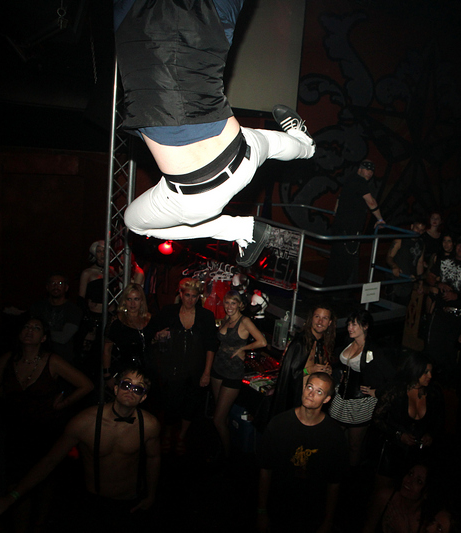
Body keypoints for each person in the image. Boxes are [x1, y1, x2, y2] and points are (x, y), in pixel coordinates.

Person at [114, 0, 315, 267]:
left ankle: (304, 147)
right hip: (213, 177)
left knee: (270, 144)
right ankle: (303, 147)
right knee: (134, 223)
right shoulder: (128, 18)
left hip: (239, 156)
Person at [0, 367, 161, 532]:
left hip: (130, 502)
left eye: (137, 389)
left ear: (143, 397)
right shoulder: (84, 422)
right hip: (93, 502)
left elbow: (153, 458)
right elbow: (50, 461)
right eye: (126, 385)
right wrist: (11, 497)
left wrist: (151, 495)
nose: (130, 391)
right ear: (115, 388)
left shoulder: (150, 425)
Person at [0, 317, 93, 532]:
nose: (30, 330)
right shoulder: (7, 360)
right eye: (26, 327)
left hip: (46, 432)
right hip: (16, 433)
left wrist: (64, 403)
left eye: (36, 328)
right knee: (17, 483)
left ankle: (40, 522)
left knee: (44, 480)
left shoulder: (52, 361)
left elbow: (86, 385)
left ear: (44, 337)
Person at [257, 372, 348, 533]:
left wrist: (327, 521)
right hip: (279, 506)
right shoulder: (279, 424)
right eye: (309, 387)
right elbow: (265, 469)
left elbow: (334, 482)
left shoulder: (334, 435)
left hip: (312, 511)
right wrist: (262, 511)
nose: (311, 394)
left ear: (326, 399)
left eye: (319, 391)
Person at [146, 277, 218, 454]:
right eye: (187, 295)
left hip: (196, 370)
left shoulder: (206, 316)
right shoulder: (169, 312)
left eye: (194, 296)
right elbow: (149, 331)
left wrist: (206, 372)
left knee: (191, 406)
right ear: (180, 293)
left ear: (198, 297)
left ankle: (182, 436)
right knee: (171, 404)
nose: (190, 299)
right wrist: (157, 335)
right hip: (172, 368)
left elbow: (211, 346)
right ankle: (167, 434)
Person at [328, 309, 394, 467]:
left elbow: (392, 376)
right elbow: (342, 363)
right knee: (333, 438)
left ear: (365, 326)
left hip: (360, 402)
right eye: (349, 324)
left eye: (354, 324)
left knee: (354, 445)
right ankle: (333, 470)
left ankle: (351, 475)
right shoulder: (348, 341)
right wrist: (339, 372)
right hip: (340, 397)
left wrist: (377, 391)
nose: (350, 328)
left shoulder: (374, 350)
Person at [210, 290, 267, 460]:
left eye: (233, 303)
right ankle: (221, 448)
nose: (229, 306)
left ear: (240, 305)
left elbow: (262, 342)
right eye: (227, 303)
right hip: (217, 369)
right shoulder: (227, 318)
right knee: (221, 415)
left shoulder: (245, 321)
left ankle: (227, 457)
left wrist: (243, 348)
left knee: (217, 419)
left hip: (233, 373)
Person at [372, 354, 444, 482]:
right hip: (392, 453)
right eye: (425, 372)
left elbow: (438, 420)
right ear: (415, 371)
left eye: (431, 372)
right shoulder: (395, 391)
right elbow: (377, 418)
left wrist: (430, 435)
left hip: (417, 457)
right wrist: (398, 434)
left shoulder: (433, 394)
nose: (430, 376)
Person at [425, 235, 461, 382]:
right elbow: (430, 276)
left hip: (457, 316)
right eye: (459, 245)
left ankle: (446, 382)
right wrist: (438, 284)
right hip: (440, 312)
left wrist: (458, 296)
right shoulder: (444, 261)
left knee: (450, 351)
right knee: (433, 347)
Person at [323, 160, 386, 288]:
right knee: (345, 262)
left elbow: (340, 197)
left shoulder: (350, 179)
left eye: (371, 170)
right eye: (367, 169)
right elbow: (371, 201)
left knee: (337, 260)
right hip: (349, 228)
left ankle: (330, 289)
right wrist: (380, 219)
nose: (370, 173)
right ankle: (340, 291)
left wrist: (336, 211)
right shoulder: (359, 181)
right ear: (360, 169)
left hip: (341, 226)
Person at [270, 303, 335, 417]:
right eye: (317, 317)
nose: (320, 321)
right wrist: (309, 370)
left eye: (324, 318)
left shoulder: (325, 343)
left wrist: (327, 371)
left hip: (314, 403)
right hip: (295, 400)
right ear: (311, 319)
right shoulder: (300, 343)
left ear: (329, 322)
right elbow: (290, 374)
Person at [103, 283, 152, 389]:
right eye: (129, 299)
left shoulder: (149, 319)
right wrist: (107, 375)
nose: (132, 303)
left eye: (136, 299)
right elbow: (107, 349)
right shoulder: (116, 322)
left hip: (147, 371)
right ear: (124, 301)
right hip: (124, 371)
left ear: (141, 301)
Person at [363, 462, 433, 533]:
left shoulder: (424, 524)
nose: (409, 481)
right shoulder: (385, 498)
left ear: (426, 492)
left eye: (419, 481)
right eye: (410, 474)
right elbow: (368, 528)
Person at [30, 274, 83, 363]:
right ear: (47, 287)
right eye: (53, 283)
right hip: (37, 355)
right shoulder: (38, 307)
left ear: (66, 288)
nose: (56, 286)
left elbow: (63, 337)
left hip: (63, 358)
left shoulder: (73, 310)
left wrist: (40, 334)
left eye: (60, 283)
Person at [386, 219, 426, 305]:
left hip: (408, 282)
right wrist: (394, 266)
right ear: (412, 226)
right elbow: (389, 257)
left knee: (402, 310)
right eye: (417, 228)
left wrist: (420, 283)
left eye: (421, 230)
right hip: (395, 280)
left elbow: (420, 263)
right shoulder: (400, 239)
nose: (418, 232)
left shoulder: (421, 244)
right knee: (390, 308)